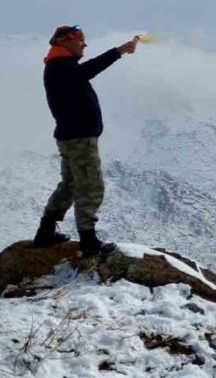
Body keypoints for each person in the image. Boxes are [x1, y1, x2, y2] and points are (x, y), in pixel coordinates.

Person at [32, 25, 140, 256]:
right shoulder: (61, 68)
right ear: (64, 42)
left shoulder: (59, 66)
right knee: (90, 186)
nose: (84, 44)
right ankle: (89, 242)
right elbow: (88, 70)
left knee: (69, 185)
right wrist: (119, 51)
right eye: (80, 40)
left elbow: (83, 72)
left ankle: (45, 232)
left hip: (71, 135)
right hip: (79, 138)